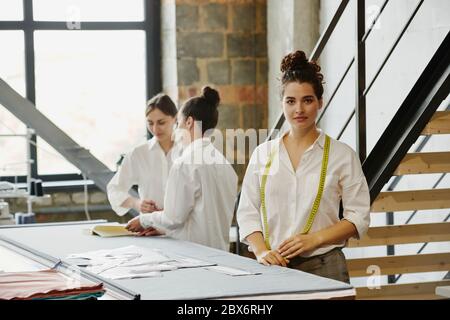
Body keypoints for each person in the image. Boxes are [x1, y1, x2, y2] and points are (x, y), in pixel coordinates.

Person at [236, 50, 370, 283]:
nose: (299, 109)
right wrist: (260, 251)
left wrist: (315, 239)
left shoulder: (342, 155)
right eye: (291, 101)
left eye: (307, 100)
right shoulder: (263, 154)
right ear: (282, 104)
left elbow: (358, 216)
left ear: (320, 102)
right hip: (273, 266)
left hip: (325, 266)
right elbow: (247, 213)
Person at [126, 86, 238, 251]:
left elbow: (173, 218)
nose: (176, 131)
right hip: (221, 255)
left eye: (178, 123)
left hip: (192, 257)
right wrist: (162, 228)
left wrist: (144, 220)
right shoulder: (226, 166)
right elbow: (199, 217)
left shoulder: (184, 163)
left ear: (190, 122)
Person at [107, 93, 182, 236]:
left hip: (184, 233)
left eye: (161, 122)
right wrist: (136, 203)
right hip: (149, 232)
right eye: (150, 123)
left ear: (175, 118)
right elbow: (114, 190)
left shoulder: (188, 151)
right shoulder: (138, 154)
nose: (155, 129)